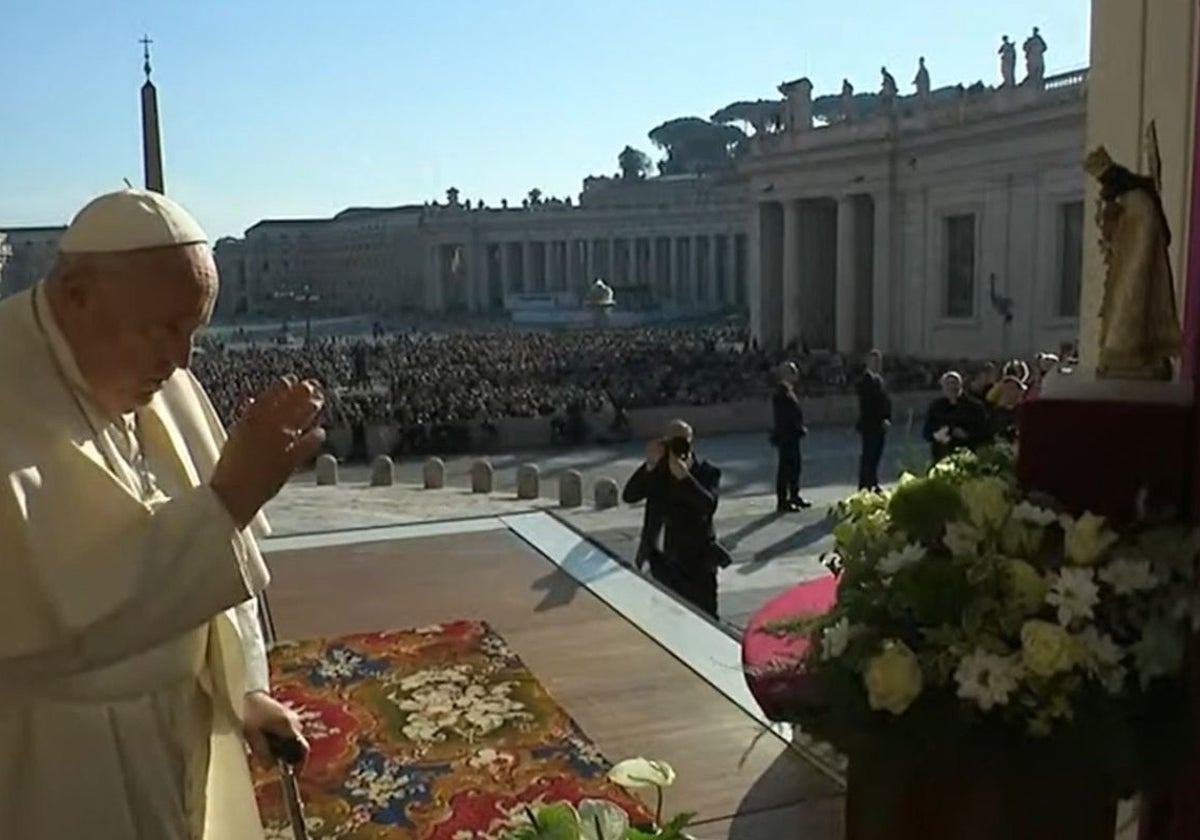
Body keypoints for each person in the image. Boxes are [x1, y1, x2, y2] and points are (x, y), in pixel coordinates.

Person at [0, 188, 324, 840]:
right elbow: (62, 622)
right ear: (78, 294)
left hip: (183, 723)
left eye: (194, 330)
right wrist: (230, 496)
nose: (183, 360)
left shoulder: (162, 376)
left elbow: (214, 565)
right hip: (61, 758)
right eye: (164, 330)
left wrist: (246, 686)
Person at [622, 420, 726, 619]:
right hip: (663, 562)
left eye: (682, 441)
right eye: (672, 441)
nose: (678, 447)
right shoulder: (657, 472)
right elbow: (629, 495)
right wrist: (650, 464)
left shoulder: (707, 472)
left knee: (705, 618)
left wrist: (685, 478)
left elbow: (708, 506)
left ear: (691, 442)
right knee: (665, 618)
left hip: (698, 563)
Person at [922, 371, 988, 462]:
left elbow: (985, 431)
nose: (951, 387)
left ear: (960, 385)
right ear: (943, 387)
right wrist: (938, 434)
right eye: (948, 384)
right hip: (941, 456)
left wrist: (967, 435)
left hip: (968, 454)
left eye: (954, 383)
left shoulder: (975, 406)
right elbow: (926, 432)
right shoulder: (935, 407)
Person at [771, 362, 810, 511]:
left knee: (795, 467)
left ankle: (794, 495)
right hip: (787, 436)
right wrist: (797, 427)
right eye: (793, 372)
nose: (796, 375)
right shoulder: (781, 392)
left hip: (792, 435)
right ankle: (783, 501)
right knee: (785, 469)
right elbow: (785, 416)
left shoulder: (788, 391)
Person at [855, 349, 891, 492]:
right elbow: (868, 405)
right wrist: (880, 419)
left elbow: (886, 402)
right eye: (874, 361)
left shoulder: (880, 380)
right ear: (868, 362)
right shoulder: (865, 381)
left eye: (879, 361)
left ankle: (873, 482)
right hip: (870, 425)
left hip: (881, 425)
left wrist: (887, 418)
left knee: (876, 455)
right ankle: (865, 485)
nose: (877, 364)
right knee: (868, 456)